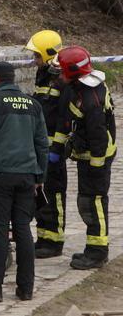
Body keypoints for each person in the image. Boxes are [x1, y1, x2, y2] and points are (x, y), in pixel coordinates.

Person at [0, 61, 49, 302]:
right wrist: (40, 177)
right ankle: (25, 288)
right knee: (23, 230)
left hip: (0, 176)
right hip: (27, 176)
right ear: (12, 78)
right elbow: (42, 144)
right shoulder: (33, 104)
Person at [53, 46, 116, 270]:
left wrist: (97, 166)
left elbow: (98, 136)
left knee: (94, 202)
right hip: (88, 158)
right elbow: (70, 122)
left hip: (95, 160)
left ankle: (98, 252)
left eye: (62, 72)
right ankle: (93, 248)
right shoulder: (82, 88)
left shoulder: (90, 98)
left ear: (72, 72)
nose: (59, 76)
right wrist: (57, 147)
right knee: (86, 202)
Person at [25, 30, 69, 258]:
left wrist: (58, 148)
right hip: (41, 147)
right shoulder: (43, 74)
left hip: (54, 149)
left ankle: (54, 241)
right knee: (41, 193)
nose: (35, 60)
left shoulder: (62, 79)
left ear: (48, 53)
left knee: (54, 194)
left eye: (37, 56)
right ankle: (43, 237)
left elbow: (64, 116)